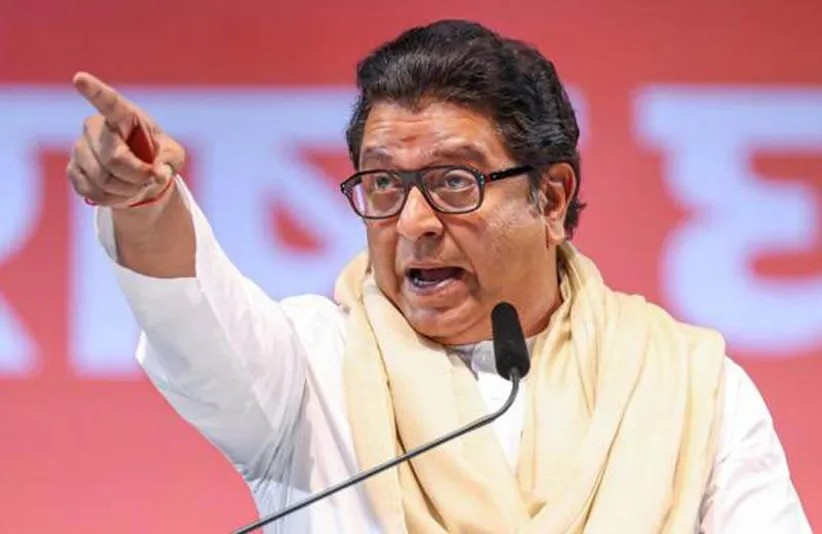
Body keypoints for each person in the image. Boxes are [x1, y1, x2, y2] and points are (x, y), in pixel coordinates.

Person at [66, 19, 810, 534]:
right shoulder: (312, 370)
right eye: (384, 184)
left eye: (455, 181)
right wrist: (143, 200)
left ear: (551, 198)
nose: (414, 222)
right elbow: (193, 323)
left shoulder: (690, 385)